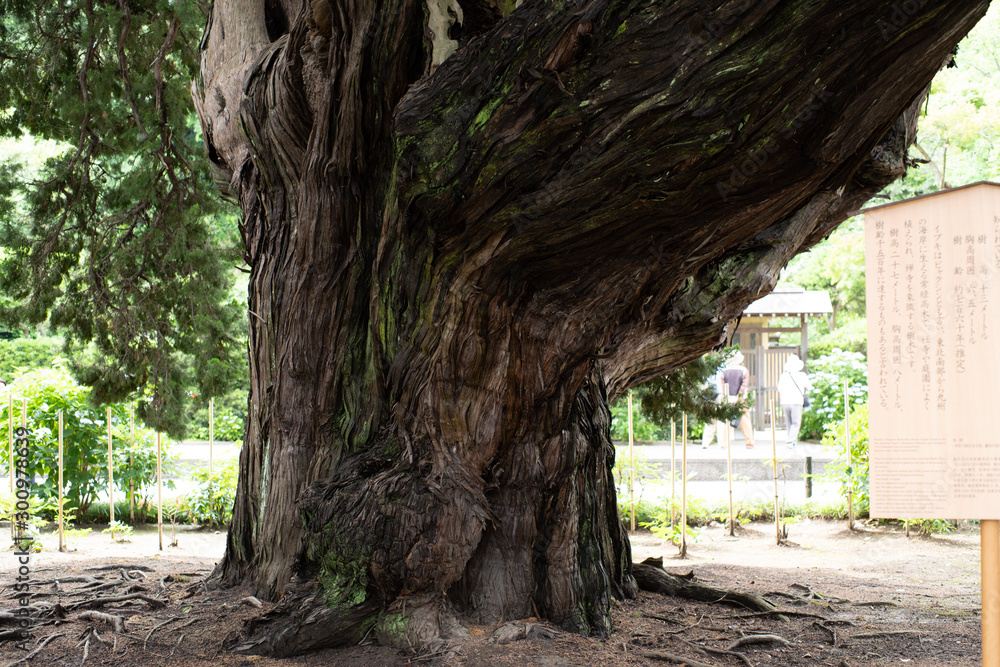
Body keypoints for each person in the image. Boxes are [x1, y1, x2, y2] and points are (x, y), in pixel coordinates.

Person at [722, 351, 755, 449]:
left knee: (727, 421)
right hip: (741, 399)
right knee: (745, 420)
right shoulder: (744, 370)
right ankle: (749, 443)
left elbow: (722, 385)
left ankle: (724, 443)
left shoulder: (724, 370)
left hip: (728, 398)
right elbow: (744, 385)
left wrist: (726, 395)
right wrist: (738, 396)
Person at [777, 354, 810, 448]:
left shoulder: (784, 375)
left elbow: (779, 388)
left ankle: (791, 440)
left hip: (785, 401)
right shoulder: (802, 375)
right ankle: (791, 441)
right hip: (796, 401)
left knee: (789, 423)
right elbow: (808, 385)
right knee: (796, 423)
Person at [701, 367, 724, 449]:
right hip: (718, 396)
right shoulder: (721, 371)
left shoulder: (706, 373)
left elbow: (703, 387)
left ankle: (705, 443)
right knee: (720, 421)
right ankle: (721, 444)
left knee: (711, 420)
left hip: (710, 398)